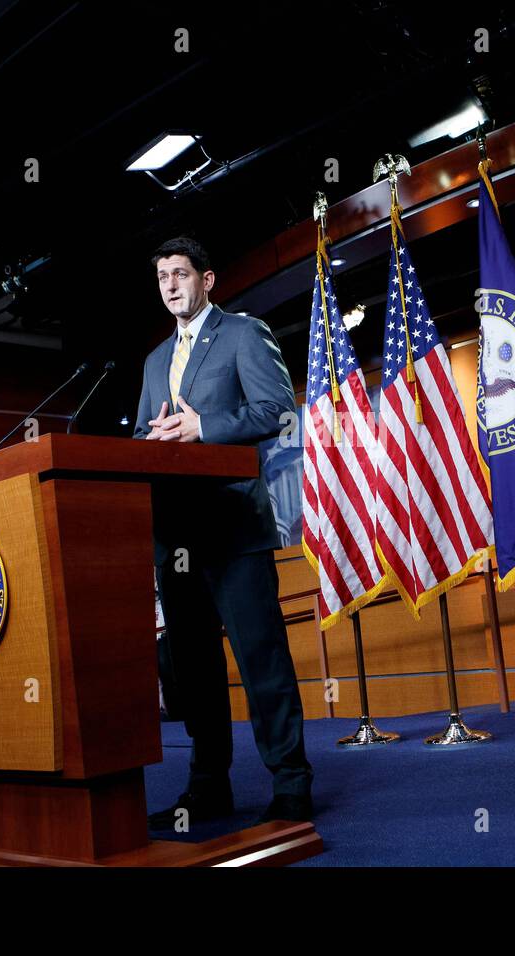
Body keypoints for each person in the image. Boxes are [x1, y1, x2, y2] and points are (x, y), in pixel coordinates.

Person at [134, 236, 313, 827]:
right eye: (162, 276)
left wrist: (202, 425)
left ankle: (290, 784)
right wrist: (154, 439)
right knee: (194, 673)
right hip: (176, 538)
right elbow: (141, 438)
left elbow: (276, 410)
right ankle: (209, 785)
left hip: (234, 529)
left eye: (180, 273)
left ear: (206, 280)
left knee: (262, 662)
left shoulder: (242, 333)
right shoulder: (154, 361)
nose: (169, 285)